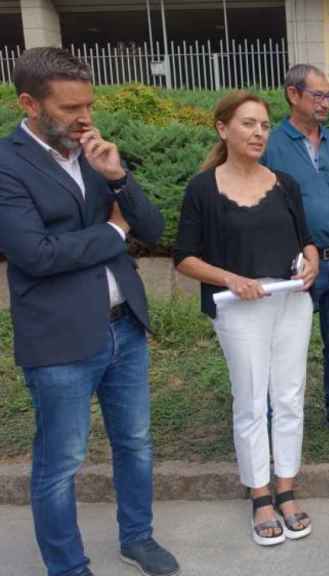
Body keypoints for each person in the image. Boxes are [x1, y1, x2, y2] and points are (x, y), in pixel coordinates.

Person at [0, 47, 179, 576]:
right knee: (61, 463)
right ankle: (67, 567)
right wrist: (111, 232)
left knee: (135, 443)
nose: (84, 118)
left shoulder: (94, 153)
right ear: (30, 104)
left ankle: (137, 537)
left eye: (89, 105)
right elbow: (36, 255)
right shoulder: (6, 165)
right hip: (57, 339)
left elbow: (150, 228)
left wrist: (119, 177)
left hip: (124, 328)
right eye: (69, 108)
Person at [174, 91, 320, 547]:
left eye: (264, 125)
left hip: (290, 301)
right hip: (239, 309)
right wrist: (232, 279)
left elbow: (307, 239)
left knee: (291, 397)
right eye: (248, 124)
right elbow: (184, 258)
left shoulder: (285, 183)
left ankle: (287, 487)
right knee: (252, 401)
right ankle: (260, 495)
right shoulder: (203, 189)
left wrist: (312, 260)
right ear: (223, 129)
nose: (259, 132)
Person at [262, 64, 329, 438]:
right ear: (293, 94)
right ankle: (279, 417)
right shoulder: (270, 144)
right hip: (296, 265)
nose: (326, 103)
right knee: (286, 345)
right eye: (318, 95)